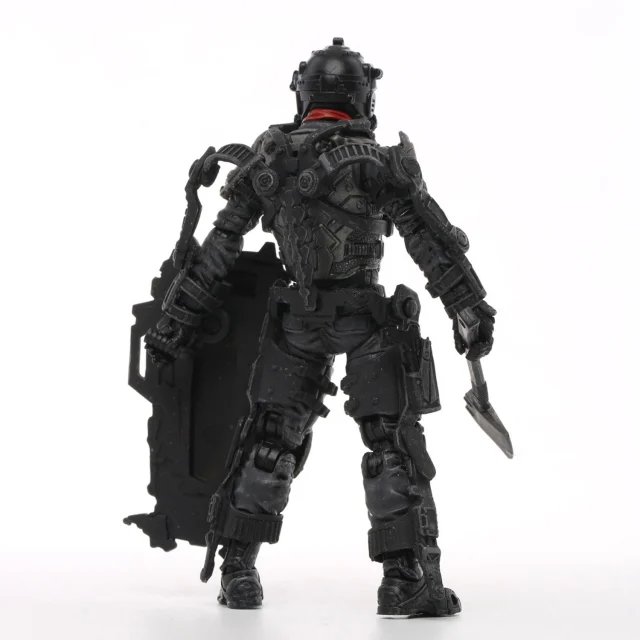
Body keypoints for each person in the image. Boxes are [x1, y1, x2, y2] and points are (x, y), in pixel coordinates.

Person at [145, 37, 496, 617]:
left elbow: (220, 247)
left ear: (304, 93)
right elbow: (426, 240)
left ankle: (238, 570)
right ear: (363, 96)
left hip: (299, 323)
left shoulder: (271, 159)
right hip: (365, 319)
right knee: (390, 444)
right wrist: (468, 307)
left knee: (271, 441)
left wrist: (175, 323)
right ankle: (404, 579)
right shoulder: (376, 161)